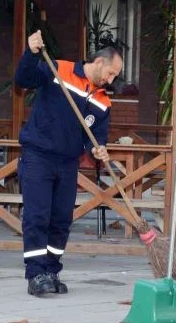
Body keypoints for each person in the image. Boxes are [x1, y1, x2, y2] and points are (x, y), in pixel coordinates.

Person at [15, 30, 121, 296]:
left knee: (61, 220)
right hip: (38, 155)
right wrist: (31, 52)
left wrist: (99, 150)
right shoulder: (58, 69)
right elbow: (23, 79)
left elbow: (96, 137)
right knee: (37, 216)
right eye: (110, 73)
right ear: (99, 63)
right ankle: (36, 274)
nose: (111, 80)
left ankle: (51, 270)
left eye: (114, 77)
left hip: (67, 162)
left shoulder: (102, 101)